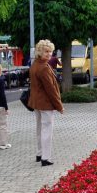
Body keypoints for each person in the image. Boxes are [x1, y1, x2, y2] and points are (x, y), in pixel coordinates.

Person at [28, 39, 64, 167]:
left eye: (50, 51)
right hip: (45, 103)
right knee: (47, 130)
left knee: (40, 128)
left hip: (37, 102)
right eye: (46, 51)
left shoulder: (35, 64)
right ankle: (46, 157)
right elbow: (51, 90)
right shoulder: (43, 67)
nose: (49, 54)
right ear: (39, 52)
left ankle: (39, 154)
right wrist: (59, 106)